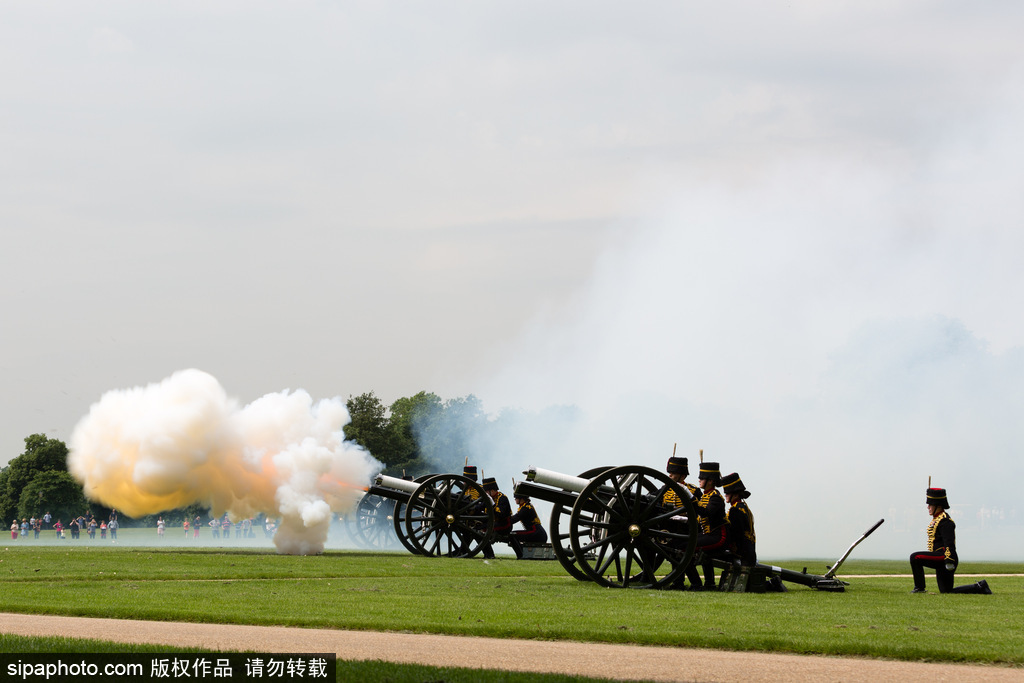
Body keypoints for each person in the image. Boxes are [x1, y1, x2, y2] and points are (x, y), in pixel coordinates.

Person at [910, 487, 992, 594]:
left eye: (930, 505)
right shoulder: (937, 519)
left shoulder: (945, 521)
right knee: (947, 591)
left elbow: (949, 542)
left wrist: (949, 560)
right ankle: (980, 587)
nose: (928, 507)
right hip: (940, 556)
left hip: (945, 556)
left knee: (915, 557)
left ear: (938, 506)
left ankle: (919, 588)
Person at [664, 455, 704, 590]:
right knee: (673, 554)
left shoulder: (693, 490)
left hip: (686, 528)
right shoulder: (666, 490)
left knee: (681, 555)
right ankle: (678, 582)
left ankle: (692, 583)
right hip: (671, 527)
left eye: (673, 473)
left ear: (682, 475)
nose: (669, 475)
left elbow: (700, 510)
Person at [693, 461, 729, 590]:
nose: (699, 480)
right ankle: (709, 583)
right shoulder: (705, 496)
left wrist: (693, 502)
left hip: (718, 536)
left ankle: (697, 584)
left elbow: (706, 513)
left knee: (688, 546)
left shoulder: (715, 497)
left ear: (710, 481)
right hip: (708, 534)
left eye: (702, 478)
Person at [480, 477, 523, 559]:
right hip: (494, 523)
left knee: (483, 529)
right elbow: (480, 507)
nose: (485, 493)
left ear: (492, 490)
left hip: (505, 525)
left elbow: (501, 514)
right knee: (478, 528)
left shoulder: (503, 498)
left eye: (486, 491)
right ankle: (488, 554)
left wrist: (492, 505)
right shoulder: (489, 498)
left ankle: (490, 554)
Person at [722, 473, 756, 566]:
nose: (725, 495)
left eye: (728, 493)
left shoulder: (735, 510)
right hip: (749, 550)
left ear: (736, 495)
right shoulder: (743, 507)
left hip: (742, 552)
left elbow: (736, 534)